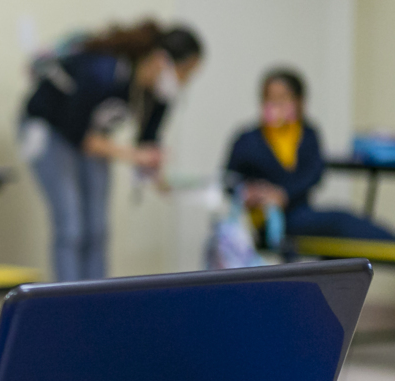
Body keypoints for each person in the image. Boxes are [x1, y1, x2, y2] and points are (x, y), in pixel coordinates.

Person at [21, 21, 204, 281]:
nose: (184, 82)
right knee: (71, 224)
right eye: (184, 72)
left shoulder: (160, 94)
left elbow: (148, 142)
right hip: (50, 130)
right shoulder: (105, 72)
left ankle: (95, 303)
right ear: (161, 60)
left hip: (92, 137)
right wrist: (133, 155)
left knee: (97, 227)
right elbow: (77, 134)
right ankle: (68, 307)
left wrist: (161, 179)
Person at [225, 67, 394, 241]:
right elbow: (228, 179)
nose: (275, 104)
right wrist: (248, 192)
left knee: (342, 227)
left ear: (299, 101)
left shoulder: (307, 134)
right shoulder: (247, 139)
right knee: (338, 220)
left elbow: (314, 174)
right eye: (269, 98)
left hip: (301, 212)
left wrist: (283, 195)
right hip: (265, 219)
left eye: (282, 98)